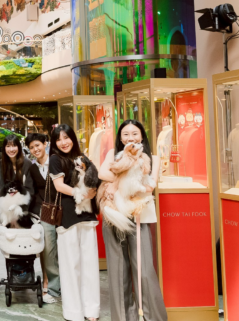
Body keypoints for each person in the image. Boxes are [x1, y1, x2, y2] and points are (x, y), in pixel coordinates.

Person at [98, 120, 167, 321]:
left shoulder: (152, 158)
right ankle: (123, 317)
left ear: (142, 135)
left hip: (140, 215)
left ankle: (152, 317)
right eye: (126, 134)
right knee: (118, 270)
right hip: (115, 215)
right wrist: (125, 180)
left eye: (135, 133)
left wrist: (117, 182)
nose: (131, 138)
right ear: (120, 138)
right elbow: (102, 173)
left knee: (144, 269)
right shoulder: (113, 154)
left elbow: (150, 186)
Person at [49, 124, 100, 321]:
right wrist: (82, 194)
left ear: (73, 138)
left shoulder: (82, 157)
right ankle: (74, 312)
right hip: (67, 216)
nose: (63, 142)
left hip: (86, 215)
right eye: (58, 139)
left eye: (66, 137)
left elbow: (95, 179)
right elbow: (59, 186)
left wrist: (92, 192)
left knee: (90, 265)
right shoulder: (55, 159)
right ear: (54, 143)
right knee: (70, 266)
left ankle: (91, 310)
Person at [25, 132, 60, 303]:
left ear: (45, 144)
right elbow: (33, 193)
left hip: (63, 209)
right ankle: (52, 286)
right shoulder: (32, 169)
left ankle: (66, 284)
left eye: (37, 145)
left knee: (64, 249)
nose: (35, 149)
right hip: (45, 212)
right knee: (48, 249)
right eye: (31, 147)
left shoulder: (56, 162)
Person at [0, 134, 36, 226]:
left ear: (19, 147)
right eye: (8, 146)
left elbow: (30, 190)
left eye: (14, 146)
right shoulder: (3, 164)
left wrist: (19, 205)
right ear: (4, 148)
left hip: (23, 208)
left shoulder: (27, 163)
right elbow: (2, 188)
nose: (11, 149)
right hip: (7, 209)